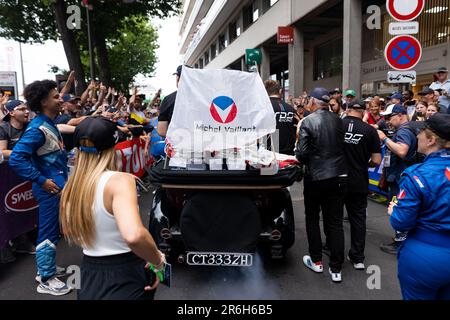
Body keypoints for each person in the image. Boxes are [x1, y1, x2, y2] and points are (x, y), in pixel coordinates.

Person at [59, 117, 165, 300]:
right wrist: (157, 260)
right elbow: (134, 235)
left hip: (89, 272)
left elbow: (69, 229)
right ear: (114, 146)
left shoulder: (72, 186)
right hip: (124, 271)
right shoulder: (120, 180)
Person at [9, 80, 71, 296]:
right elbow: (16, 158)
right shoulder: (37, 129)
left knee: (52, 230)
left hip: (54, 188)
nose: (61, 98)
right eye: (56, 97)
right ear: (44, 102)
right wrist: (41, 180)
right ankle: (45, 278)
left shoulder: (48, 123)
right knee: (47, 231)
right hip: (48, 190)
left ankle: (48, 268)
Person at [388, 113, 450, 300]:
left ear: (431, 140)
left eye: (420, 132)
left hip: (426, 254)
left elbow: (401, 222)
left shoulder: (417, 174)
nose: (417, 136)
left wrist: (394, 211)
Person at [296, 87, 348, 283]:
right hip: (339, 176)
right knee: (335, 222)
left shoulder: (308, 121)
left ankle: (316, 261)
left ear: (313, 101)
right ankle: (336, 268)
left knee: (312, 218)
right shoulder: (339, 120)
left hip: (316, 177)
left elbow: (301, 154)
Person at [342, 101, 382, 270]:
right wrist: (364, 165)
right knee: (358, 218)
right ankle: (357, 257)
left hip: (337, 178)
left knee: (334, 218)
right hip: (358, 179)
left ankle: (333, 250)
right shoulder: (370, 130)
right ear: (364, 112)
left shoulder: (337, 125)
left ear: (347, 110)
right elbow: (376, 160)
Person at [377, 104, 417, 255]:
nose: (387, 120)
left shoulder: (404, 131)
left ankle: (400, 242)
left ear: (400, 115)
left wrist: (385, 139)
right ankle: (402, 239)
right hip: (401, 175)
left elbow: (401, 150)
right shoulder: (405, 129)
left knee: (397, 207)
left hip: (400, 177)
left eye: (389, 117)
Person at [264, 80, 297, 155]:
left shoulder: (263, 108)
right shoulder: (291, 109)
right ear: (280, 91)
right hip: (289, 154)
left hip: (269, 155)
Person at [157, 65, 184, 138]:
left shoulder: (168, 100)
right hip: (199, 146)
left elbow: (161, 131)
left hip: (176, 145)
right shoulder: (201, 99)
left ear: (178, 78)